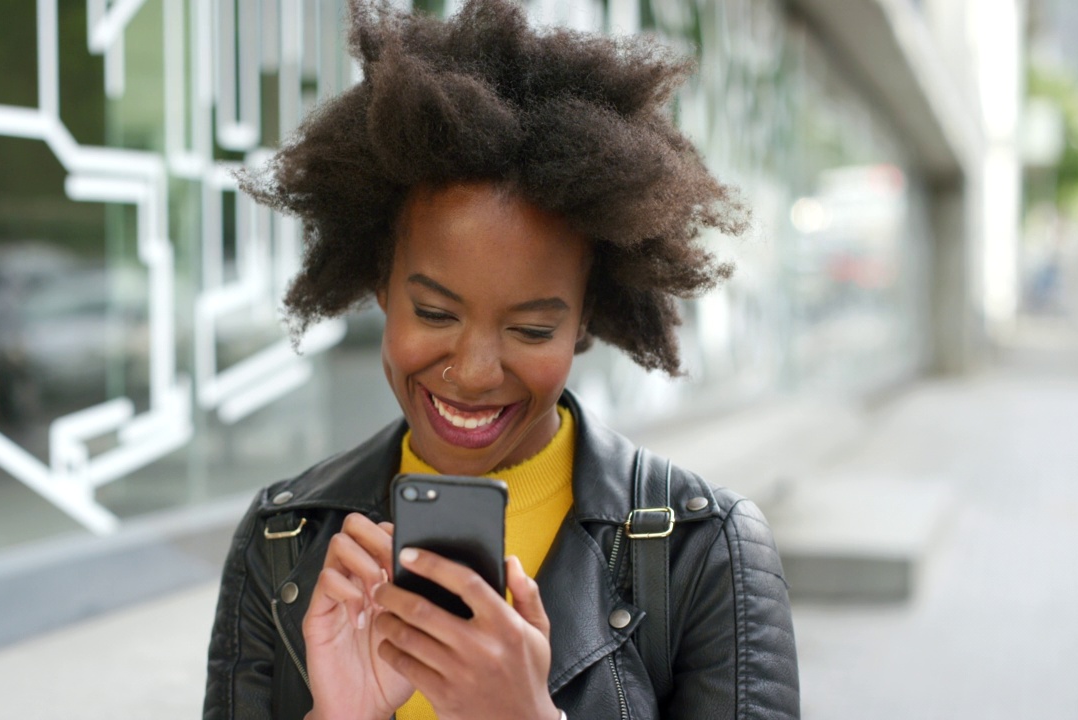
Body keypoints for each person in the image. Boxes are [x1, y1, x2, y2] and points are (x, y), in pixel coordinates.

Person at [203, 1, 799, 718]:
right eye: (434, 313)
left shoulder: (702, 553)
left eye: (531, 328)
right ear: (379, 286)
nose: (478, 371)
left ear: (585, 320)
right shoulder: (282, 541)